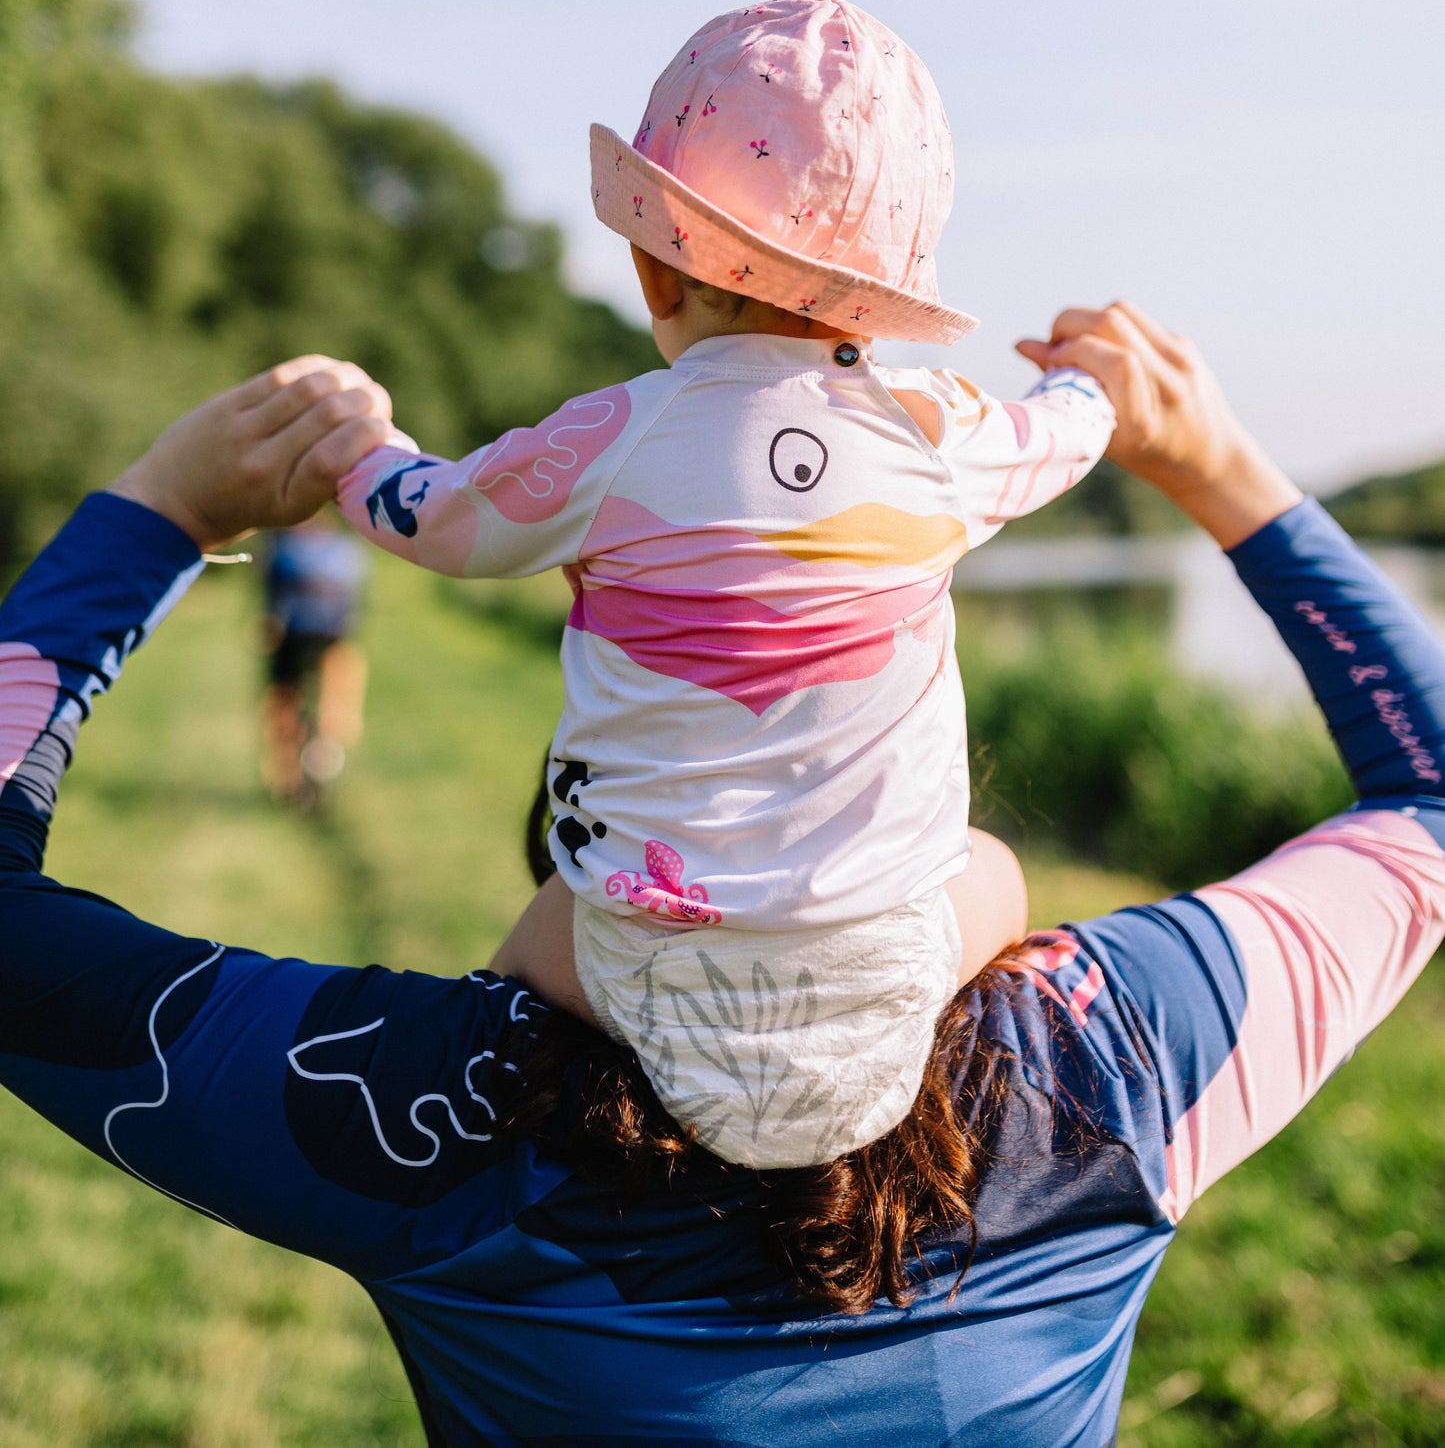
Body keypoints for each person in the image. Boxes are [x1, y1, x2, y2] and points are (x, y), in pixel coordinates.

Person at [0, 312, 1442, 1446]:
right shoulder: (1111, 1074)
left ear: (571, 829)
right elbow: (1426, 799)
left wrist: (160, 510)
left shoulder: (425, 1129)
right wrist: (1222, 478)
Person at [336, 0, 1115, 1166]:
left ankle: (470, 1131)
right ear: (879, 298)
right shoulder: (936, 435)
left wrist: (356, 449)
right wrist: (1089, 381)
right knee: (993, 869)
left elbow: (436, 518)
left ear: (655, 271)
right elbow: (1064, 435)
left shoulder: (610, 438)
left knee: (525, 954)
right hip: (885, 963)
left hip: (640, 960)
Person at [258, 508, 369, 803]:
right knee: (315, 699)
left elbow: (271, 595)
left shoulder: (283, 547)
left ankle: (292, 767)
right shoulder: (346, 548)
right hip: (330, 635)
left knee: (286, 699)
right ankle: (320, 751)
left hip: (300, 636)